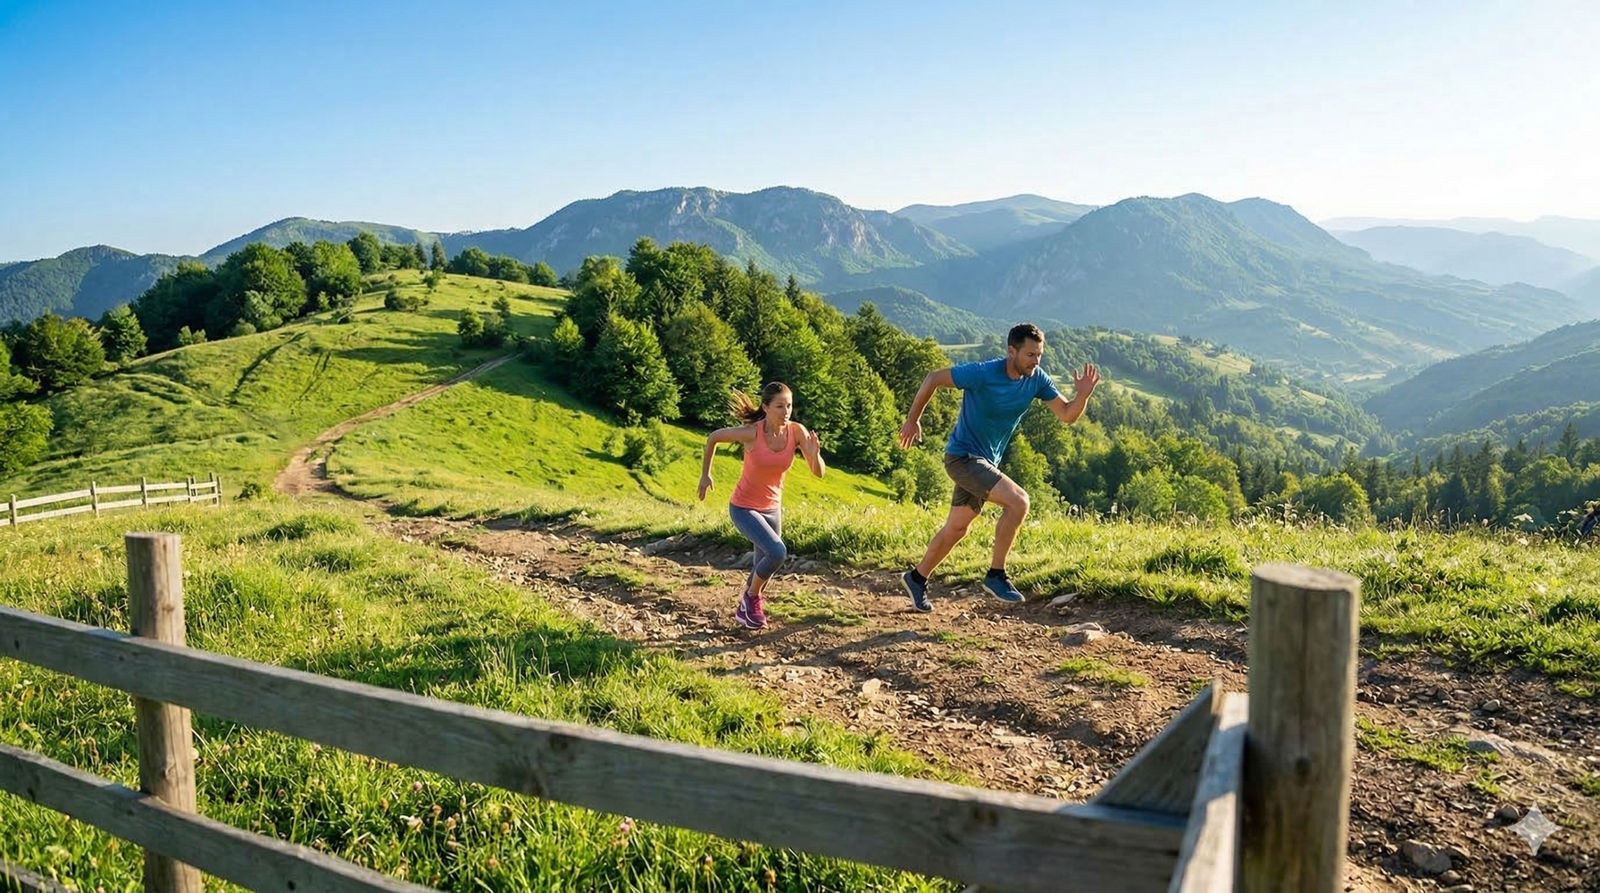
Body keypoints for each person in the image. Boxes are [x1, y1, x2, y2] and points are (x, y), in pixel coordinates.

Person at [897, 323, 1099, 611]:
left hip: (984, 462)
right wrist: (912, 419)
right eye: (1030, 355)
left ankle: (916, 578)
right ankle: (996, 575)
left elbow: (1067, 415)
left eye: (1039, 355)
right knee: (1019, 502)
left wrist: (1083, 396)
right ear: (1011, 351)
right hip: (963, 458)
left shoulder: (1037, 379)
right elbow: (933, 378)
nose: (1036, 361)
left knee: (957, 528)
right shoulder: (983, 373)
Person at [698, 382, 825, 629]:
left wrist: (814, 453)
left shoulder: (797, 432)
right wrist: (706, 475)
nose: (786, 411)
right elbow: (713, 438)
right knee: (777, 553)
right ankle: (751, 598)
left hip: (772, 508)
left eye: (789, 405)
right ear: (766, 407)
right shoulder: (752, 433)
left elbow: (818, 473)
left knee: (763, 567)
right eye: (779, 406)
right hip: (744, 508)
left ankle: (746, 609)